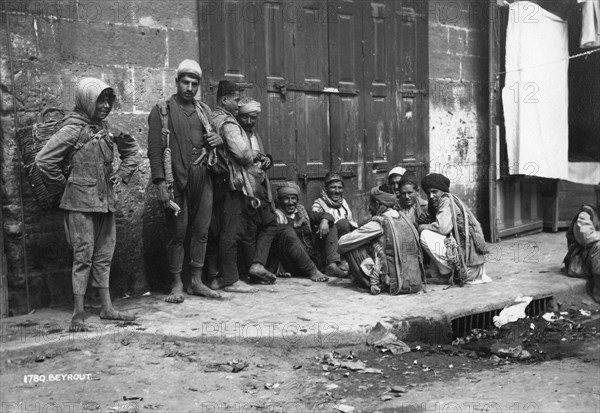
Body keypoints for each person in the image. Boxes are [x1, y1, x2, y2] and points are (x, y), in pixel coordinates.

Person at [36, 77, 140, 331]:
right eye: (99, 100)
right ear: (86, 101)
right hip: (80, 206)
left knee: (104, 256)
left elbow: (132, 150)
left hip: (106, 203)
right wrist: (67, 189)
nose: (105, 105)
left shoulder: (107, 127)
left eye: (108, 100)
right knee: (83, 257)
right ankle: (78, 314)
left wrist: (122, 173)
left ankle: (107, 308)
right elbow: (43, 161)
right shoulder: (73, 128)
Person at [147, 59, 222, 303]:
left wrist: (216, 141)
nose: (189, 88)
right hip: (175, 179)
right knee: (177, 233)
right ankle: (177, 283)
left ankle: (196, 282)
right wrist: (160, 184)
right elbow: (155, 151)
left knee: (201, 230)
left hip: (203, 177)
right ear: (176, 82)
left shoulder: (205, 112)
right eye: (185, 82)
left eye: (194, 84)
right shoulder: (162, 111)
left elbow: (214, 145)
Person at [207, 80, 261, 293]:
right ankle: (230, 279)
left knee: (219, 229)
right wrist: (254, 154)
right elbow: (242, 153)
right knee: (231, 231)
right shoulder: (228, 123)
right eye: (236, 100)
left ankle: (216, 278)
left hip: (218, 182)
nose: (239, 105)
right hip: (232, 183)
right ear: (224, 100)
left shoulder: (213, 118)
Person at [338, 186, 424, 295]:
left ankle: (370, 284)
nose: (369, 208)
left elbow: (341, 243)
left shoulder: (380, 222)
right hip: (414, 282)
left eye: (371, 204)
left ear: (378, 204)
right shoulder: (404, 218)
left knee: (350, 245)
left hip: (391, 283)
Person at [234, 97, 278, 284]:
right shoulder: (236, 135)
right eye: (245, 117)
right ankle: (254, 268)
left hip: (259, 186)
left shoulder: (254, 135)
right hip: (244, 188)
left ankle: (257, 265)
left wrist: (267, 159)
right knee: (250, 230)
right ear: (238, 116)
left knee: (268, 224)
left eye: (253, 118)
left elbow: (258, 155)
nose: (249, 122)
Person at [418, 173, 490, 285]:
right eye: (428, 193)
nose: (431, 196)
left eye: (434, 191)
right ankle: (444, 273)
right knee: (432, 233)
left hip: (468, 269)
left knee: (425, 234)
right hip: (473, 266)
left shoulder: (446, 200)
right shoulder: (451, 199)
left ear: (443, 191)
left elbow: (443, 229)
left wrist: (423, 226)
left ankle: (448, 275)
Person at [272, 182, 329, 282]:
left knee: (330, 225)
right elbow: (273, 231)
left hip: (312, 257)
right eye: (286, 198)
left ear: (297, 200)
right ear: (280, 201)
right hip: (292, 263)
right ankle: (312, 271)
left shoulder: (302, 211)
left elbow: (326, 215)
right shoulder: (276, 216)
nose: (290, 202)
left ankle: (332, 264)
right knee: (288, 231)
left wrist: (325, 220)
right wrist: (294, 225)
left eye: (293, 198)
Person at [310, 171, 358, 277]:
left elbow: (349, 222)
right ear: (326, 189)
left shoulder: (343, 203)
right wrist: (325, 219)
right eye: (333, 187)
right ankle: (331, 264)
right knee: (332, 226)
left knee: (344, 223)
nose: (337, 191)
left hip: (339, 245)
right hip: (323, 245)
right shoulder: (319, 203)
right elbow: (313, 218)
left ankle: (344, 260)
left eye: (339, 187)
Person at [563, 185, 600, 302]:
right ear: (598, 196)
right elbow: (586, 237)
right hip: (581, 261)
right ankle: (598, 290)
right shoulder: (586, 213)